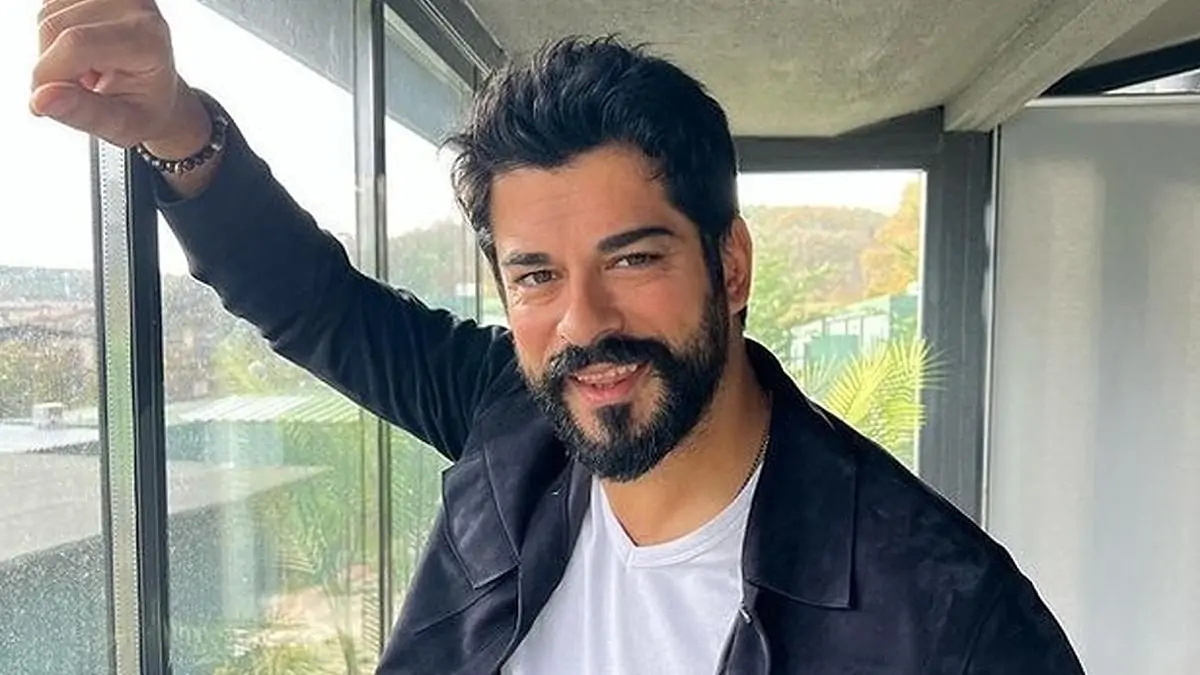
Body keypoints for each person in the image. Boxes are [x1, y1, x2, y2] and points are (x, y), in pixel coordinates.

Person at [30, 1, 1085, 673]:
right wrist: (176, 129)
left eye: (633, 258)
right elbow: (316, 304)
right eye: (536, 274)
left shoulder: (949, 617)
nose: (584, 323)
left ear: (730, 266)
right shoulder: (512, 417)